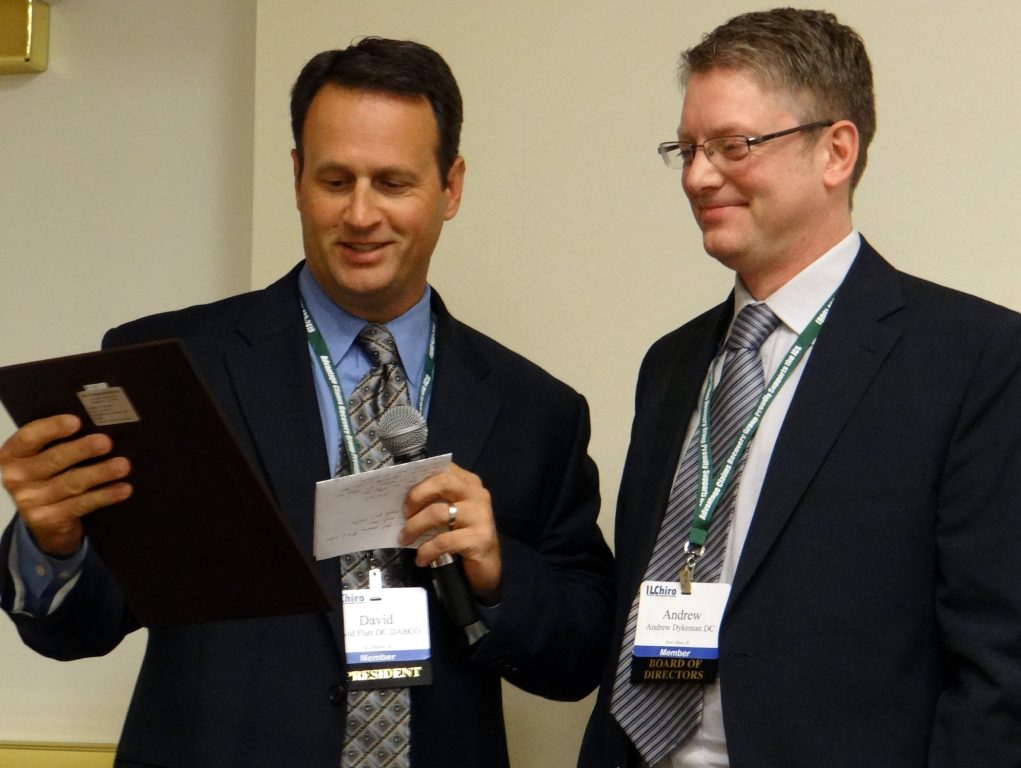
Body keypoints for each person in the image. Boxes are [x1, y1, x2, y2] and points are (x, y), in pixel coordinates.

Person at [0, 38, 613, 768]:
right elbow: (79, 629)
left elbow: (580, 656)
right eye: (334, 179)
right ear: (296, 177)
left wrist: (498, 570)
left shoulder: (535, 409)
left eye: (392, 182)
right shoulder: (174, 365)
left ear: (450, 187)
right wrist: (54, 543)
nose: (360, 214)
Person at [579, 8, 1021, 768]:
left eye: (732, 145)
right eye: (685, 149)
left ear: (836, 150)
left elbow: (999, 670)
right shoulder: (673, 364)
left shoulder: (973, 359)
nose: (697, 175)